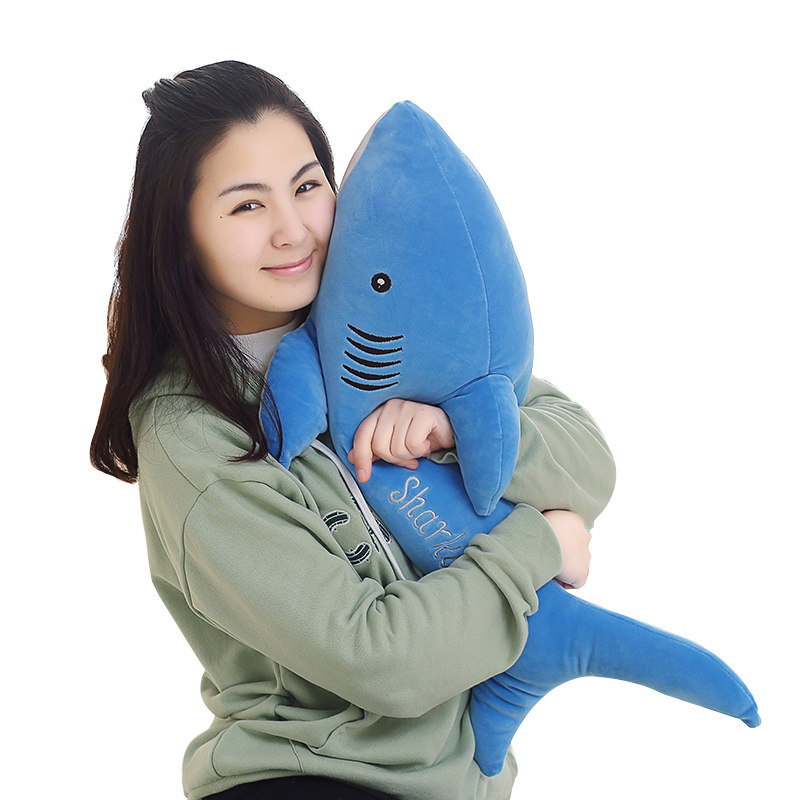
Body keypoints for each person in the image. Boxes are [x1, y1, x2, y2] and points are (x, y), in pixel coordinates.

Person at [91, 61, 614, 800]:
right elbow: (382, 662)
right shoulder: (191, 434)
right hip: (307, 777)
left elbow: (588, 456)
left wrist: (452, 429)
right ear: (180, 238)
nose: (293, 230)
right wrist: (541, 544)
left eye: (308, 187)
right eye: (247, 206)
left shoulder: (371, 323)